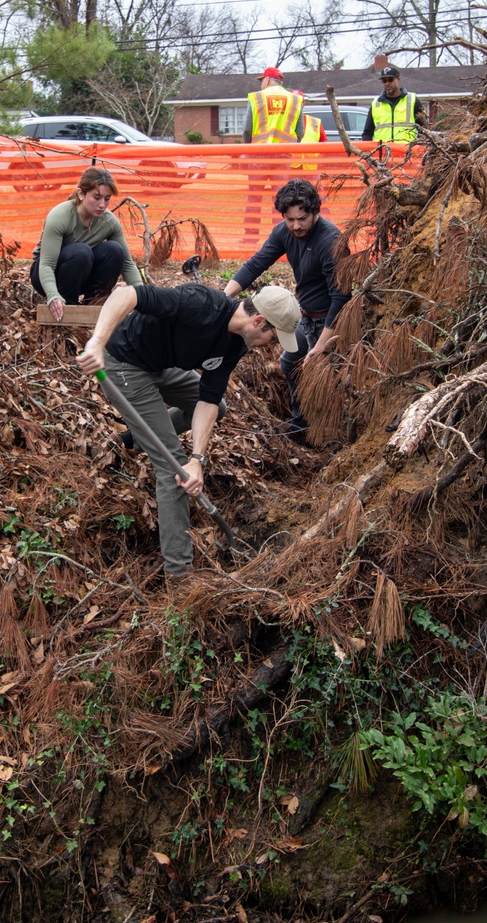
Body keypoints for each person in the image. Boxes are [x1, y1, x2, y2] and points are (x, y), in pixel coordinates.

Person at [77, 282, 300, 579]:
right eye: (272, 338)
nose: (270, 346)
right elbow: (126, 294)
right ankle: (180, 577)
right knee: (174, 472)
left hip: (161, 366)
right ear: (258, 321)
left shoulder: (237, 344)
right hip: (124, 364)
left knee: (218, 409)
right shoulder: (201, 303)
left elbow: (207, 400)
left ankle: (137, 439)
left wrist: (198, 458)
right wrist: (97, 342)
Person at [224, 177, 350, 443]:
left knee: (328, 379)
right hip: (305, 317)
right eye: (289, 219)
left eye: (302, 219)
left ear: (315, 211)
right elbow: (256, 263)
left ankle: (335, 438)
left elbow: (341, 299)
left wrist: (320, 346)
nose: (295, 225)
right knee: (290, 362)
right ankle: (300, 426)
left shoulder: (331, 242)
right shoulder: (284, 232)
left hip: (332, 322)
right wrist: (223, 298)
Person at [31, 167, 143, 323]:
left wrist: (144, 297)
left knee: (115, 251)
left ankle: (93, 303)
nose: (102, 204)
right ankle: (68, 305)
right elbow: (47, 264)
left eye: (107, 198)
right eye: (97, 197)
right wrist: (52, 295)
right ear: (81, 194)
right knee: (81, 252)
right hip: (47, 274)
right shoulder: (60, 216)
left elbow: (128, 265)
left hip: (81, 273)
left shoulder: (109, 222)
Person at [362, 66, 427, 143]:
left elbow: (424, 129)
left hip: (406, 152)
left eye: (390, 80)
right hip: (382, 152)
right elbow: (367, 133)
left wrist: (418, 148)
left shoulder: (412, 100)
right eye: (384, 81)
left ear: (398, 79)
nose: (387, 83)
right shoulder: (376, 104)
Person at [243, 67, 310, 143]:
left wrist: (249, 146)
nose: (261, 85)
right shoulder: (295, 99)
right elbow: (300, 131)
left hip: (260, 151)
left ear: (267, 79)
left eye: (262, 81)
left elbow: (247, 130)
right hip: (286, 151)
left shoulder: (256, 98)